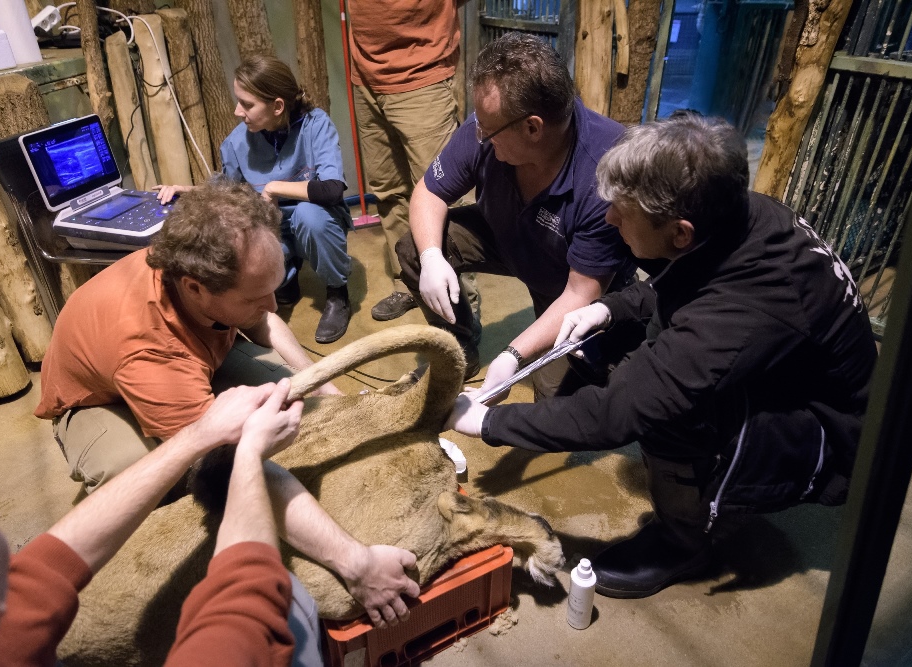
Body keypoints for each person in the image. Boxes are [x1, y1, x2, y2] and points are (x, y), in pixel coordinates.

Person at [445, 114, 878, 599]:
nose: (609, 219)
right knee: (630, 353)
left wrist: (486, 424)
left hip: (832, 438)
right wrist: (608, 309)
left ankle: (682, 543)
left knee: (668, 408)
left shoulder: (744, 308)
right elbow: (688, 284)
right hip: (788, 376)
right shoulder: (742, 210)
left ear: (680, 233)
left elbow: (617, 414)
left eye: (622, 214)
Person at [36, 178, 419, 628]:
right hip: (99, 400)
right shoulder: (148, 349)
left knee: (294, 401)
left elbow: (263, 321)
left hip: (199, 354)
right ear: (196, 288)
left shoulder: (203, 270)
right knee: (173, 475)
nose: (273, 303)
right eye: (256, 295)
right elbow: (226, 463)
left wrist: (326, 390)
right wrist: (355, 563)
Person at [0, 382, 304, 666]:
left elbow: (51, 562)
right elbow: (246, 602)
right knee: (297, 606)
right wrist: (251, 451)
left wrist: (200, 435)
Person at [397, 32, 636, 396]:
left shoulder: (605, 172)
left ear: (532, 127)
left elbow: (579, 292)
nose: (479, 134)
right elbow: (428, 192)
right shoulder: (489, 128)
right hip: (506, 232)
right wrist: (431, 257)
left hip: (570, 279)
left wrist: (511, 354)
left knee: (555, 399)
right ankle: (459, 349)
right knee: (415, 247)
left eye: (489, 130)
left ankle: (614, 348)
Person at [157, 55, 353, 343]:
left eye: (247, 104)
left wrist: (274, 186)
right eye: (238, 101)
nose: (238, 111)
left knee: (309, 217)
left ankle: (337, 292)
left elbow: (332, 189)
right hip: (273, 226)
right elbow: (226, 190)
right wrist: (186, 189)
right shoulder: (237, 142)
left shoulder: (315, 125)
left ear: (277, 106)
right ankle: (286, 276)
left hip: (316, 219)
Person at [346, 0, 478, 323]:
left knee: (443, 195)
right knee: (388, 191)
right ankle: (409, 282)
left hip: (423, 73)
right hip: (365, 73)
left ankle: (463, 314)